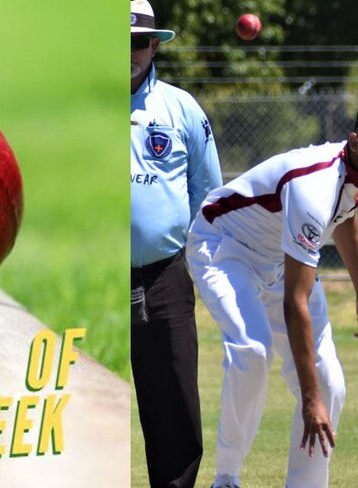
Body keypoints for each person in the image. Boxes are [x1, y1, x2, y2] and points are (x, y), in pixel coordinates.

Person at [186, 88, 358, 488]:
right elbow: (295, 301)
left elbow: (346, 218)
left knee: (329, 381)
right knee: (253, 350)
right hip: (225, 247)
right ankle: (226, 477)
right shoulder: (312, 186)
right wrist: (308, 401)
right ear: (355, 141)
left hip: (278, 257)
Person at [130, 1, 223, 486]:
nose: (130, 52)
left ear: (154, 44)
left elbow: (207, 192)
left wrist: (193, 258)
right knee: (75, 393)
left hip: (163, 273)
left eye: (139, 41)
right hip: (87, 275)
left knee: (173, 399)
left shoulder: (181, 107)